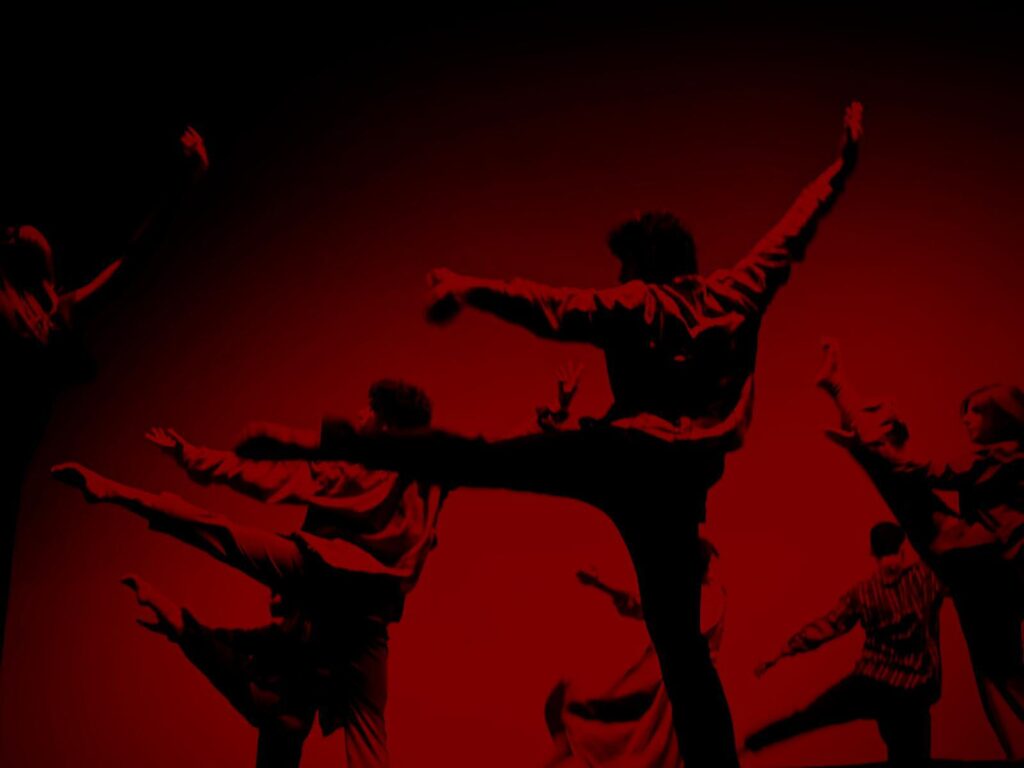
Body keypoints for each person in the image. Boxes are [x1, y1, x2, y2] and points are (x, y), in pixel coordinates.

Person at [236, 102, 864, 768]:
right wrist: (842, 164)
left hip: (623, 456)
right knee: (682, 650)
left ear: (643, 267)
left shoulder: (638, 301)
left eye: (625, 267)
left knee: (478, 458)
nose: (619, 279)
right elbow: (797, 225)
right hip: (680, 493)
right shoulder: (743, 288)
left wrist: (470, 287)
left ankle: (330, 444)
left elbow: (556, 308)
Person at [52, 380, 443, 768]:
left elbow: (269, 477)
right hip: (365, 625)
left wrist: (192, 457)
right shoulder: (423, 487)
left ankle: (113, 492)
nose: (359, 414)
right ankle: (113, 493)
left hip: (324, 576)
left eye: (369, 410)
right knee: (362, 734)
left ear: (386, 424)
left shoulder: (355, 471)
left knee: (221, 535)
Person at [0, 126, 208, 657]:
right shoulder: (42, 313)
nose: (20, 232)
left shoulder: (56, 316)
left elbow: (132, 257)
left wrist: (182, 184)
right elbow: (131, 258)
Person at [817, 339, 1024, 757]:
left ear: (1000, 417)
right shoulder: (1004, 458)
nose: (965, 419)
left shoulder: (1003, 454)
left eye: (975, 412)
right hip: (984, 568)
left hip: (978, 557)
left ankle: (848, 400)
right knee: (994, 670)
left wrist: (886, 453)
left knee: (906, 494)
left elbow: (936, 472)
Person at [747, 523, 945, 766]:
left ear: (874, 553)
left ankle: (753, 742)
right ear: (901, 550)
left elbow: (829, 625)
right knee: (909, 753)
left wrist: (782, 652)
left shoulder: (869, 591)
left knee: (812, 717)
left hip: (880, 684)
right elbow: (829, 625)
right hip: (904, 688)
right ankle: (754, 742)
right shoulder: (923, 579)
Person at [544, 539, 723, 768]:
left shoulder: (710, 595)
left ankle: (578, 743)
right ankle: (572, 743)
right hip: (659, 684)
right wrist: (618, 594)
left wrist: (638, 605)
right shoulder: (689, 597)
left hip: (674, 692)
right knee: (570, 701)